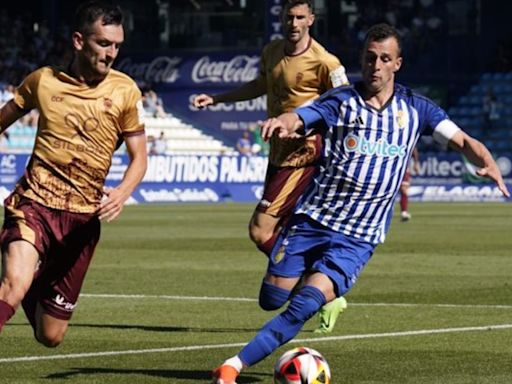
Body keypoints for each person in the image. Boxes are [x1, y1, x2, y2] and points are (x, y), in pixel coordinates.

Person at [211, 23, 510, 384]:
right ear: (362, 60)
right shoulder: (342, 101)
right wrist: (283, 121)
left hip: (357, 239)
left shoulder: (417, 110)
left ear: (397, 63)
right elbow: (302, 116)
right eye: (370, 58)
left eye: (385, 58)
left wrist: (486, 160)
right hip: (312, 220)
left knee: (304, 305)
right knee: (272, 298)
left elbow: (462, 139)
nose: (376, 65)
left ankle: (232, 367)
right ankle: (316, 292)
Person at [193, 0, 349, 334]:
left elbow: (346, 104)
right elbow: (259, 85)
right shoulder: (272, 51)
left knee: (260, 229)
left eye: (299, 17)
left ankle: (316, 286)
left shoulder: (326, 62)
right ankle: (318, 287)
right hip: (278, 155)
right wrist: (218, 99)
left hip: (305, 155)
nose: (292, 23)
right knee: (283, 230)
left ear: (311, 20)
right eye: (287, 16)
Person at [0, 1, 147, 347]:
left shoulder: (125, 91)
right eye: (104, 44)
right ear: (79, 41)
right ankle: (27, 273)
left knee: (50, 335)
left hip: (81, 224)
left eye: (117, 45)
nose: (112, 53)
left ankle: (38, 277)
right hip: (33, 205)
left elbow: (139, 158)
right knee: (13, 284)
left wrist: (123, 192)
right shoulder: (42, 81)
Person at [399, 147, 420, 221]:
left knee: (404, 190)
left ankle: (404, 212)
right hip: (388, 168)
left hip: (403, 168)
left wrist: (416, 163)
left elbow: (414, 149)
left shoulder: (407, 136)